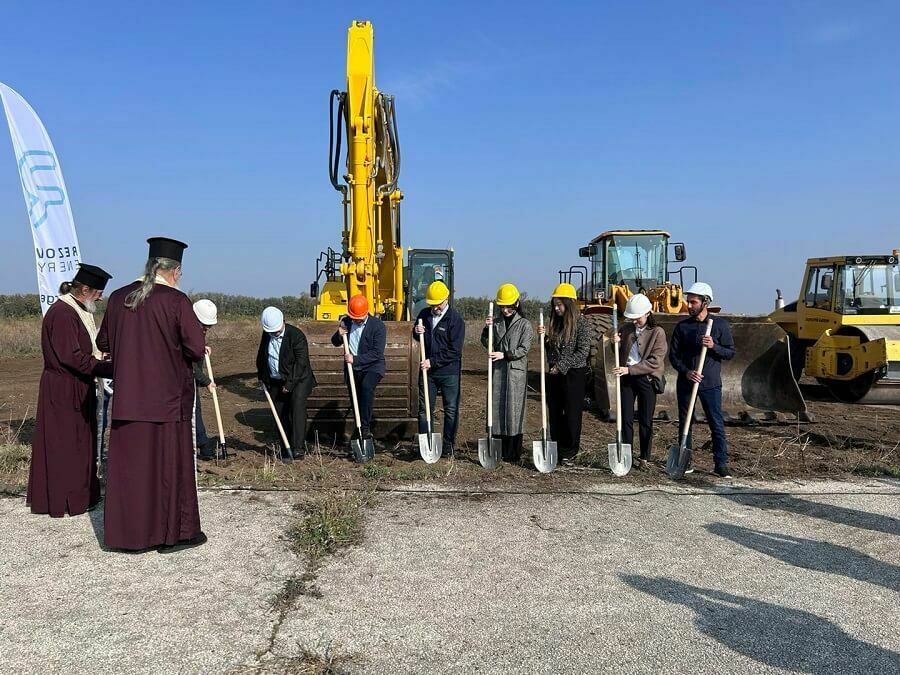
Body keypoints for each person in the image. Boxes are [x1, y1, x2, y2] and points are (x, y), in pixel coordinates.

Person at [97, 237, 207, 551]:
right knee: (168, 472)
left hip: (129, 400)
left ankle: (129, 537)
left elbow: (105, 343)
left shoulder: (118, 298)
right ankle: (172, 535)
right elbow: (196, 348)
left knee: (131, 473)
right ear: (174, 271)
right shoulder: (175, 300)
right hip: (166, 403)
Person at [27, 264, 114, 517]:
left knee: (80, 443)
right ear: (84, 289)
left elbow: (86, 350)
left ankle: (82, 495)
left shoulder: (77, 309)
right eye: (98, 292)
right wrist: (109, 369)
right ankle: (64, 499)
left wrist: (102, 359)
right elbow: (73, 357)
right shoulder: (63, 313)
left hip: (77, 385)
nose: (100, 297)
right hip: (64, 388)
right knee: (65, 445)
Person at [669, 282, 735, 478]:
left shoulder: (720, 325)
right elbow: (674, 356)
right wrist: (687, 372)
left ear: (705, 302)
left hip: (710, 384)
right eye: (688, 302)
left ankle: (721, 464)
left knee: (716, 422)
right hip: (687, 382)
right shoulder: (683, 327)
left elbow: (730, 352)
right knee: (685, 423)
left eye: (693, 302)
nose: (689, 305)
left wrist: (714, 346)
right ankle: (685, 461)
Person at [611, 293, 668, 469]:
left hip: (646, 380)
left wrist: (631, 369)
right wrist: (616, 344)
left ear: (648, 313)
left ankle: (644, 457)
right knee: (626, 418)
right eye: (632, 318)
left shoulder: (658, 332)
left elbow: (655, 361)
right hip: (627, 379)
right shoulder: (626, 329)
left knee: (645, 420)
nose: (635, 321)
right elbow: (618, 354)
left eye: (638, 318)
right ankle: (626, 455)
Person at [256, 306, 317, 461]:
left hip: (299, 379)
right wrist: (262, 376)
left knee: (296, 409)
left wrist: (289, 385)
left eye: (276, 331)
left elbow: (301, 363)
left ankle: (297, 449)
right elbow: (262, 356)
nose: (274, 334)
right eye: (271, 332)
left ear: (283, 322)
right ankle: (285, 447)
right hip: (276, 380)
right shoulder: (267, 334)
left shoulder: (296, 336)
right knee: (280, 412)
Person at [481, 283, 533, 462]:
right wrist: (486, 329)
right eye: (502, 306)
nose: (505, 310)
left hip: (516, 373)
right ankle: (498, 448)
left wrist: (505, 354)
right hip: (498, 371)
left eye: (508, 306)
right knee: (496, 408)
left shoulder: (525, 325)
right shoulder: (495, 323)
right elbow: (486, 342)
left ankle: (513, 452)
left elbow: (524, 348)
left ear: (517, 304)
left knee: (514, 410)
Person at [413, 280, 464, 455]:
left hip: (449, 373)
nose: (435, 308)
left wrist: (432, 361)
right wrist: (416, 331)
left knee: (450, 410)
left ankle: (448, 446)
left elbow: (454, 351)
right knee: (424, 409)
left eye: (438, 304)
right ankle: (426, 444)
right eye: (432, 305)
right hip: (428, 373)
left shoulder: (456, 320)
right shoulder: (424, 315)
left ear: (446, 299)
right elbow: (417, 334)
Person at [540, 282, 590, 461]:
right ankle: (556, 447)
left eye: (560, 304)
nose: (556, 308)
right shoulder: (555, 323)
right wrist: (545, 340)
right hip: (554, 375)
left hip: (574, 375)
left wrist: (562, 366)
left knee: (571, 413)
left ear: (569, 304)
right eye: (555, 304)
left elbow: (583, 351)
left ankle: (570, 451)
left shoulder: (582, 324)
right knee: (554, 412)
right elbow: (551, 349)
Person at [331, 294, 386, 444]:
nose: (357, 320)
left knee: (367, 388)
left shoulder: (377, 326)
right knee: (355, 397)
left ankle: (366, 429)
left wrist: (355, 359)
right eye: (355, 318)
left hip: (373, 366)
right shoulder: (346, 322)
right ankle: (359, 428)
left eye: (360, 318)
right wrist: (338, 334)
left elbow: (377, 353)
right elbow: (335, 342)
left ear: (366, 313)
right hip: (352, 369)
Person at [192, 299, 218, 460]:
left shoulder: (197, 331)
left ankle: (203, 444)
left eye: (209, 326)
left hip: (192, 379)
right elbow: (188, 365)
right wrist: (206, 381)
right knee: (192, 411)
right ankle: (202, 444)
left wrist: (203, 346)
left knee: (196, 409)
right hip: (182, 379)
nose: (207, 328)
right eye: (204, 325)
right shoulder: (185, 332)